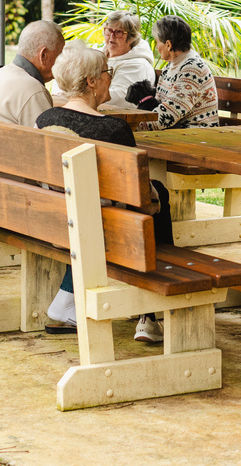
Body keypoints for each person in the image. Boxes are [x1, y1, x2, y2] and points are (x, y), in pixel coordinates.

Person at [35, 41, 174, 344]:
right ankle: (148, 314)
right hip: (105, 228)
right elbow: (140, 198)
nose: (110, 77)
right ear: (92, 81)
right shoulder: (113, 131)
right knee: (158, 197)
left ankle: (71, 297)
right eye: (107, 72)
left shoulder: (45, 120)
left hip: (55, 218)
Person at [126, 16, 219, 131]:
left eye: (157, 42)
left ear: (168, 45)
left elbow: (166, 117)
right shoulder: (172, 66)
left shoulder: (193, 70)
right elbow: (159, 107)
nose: (156, 47)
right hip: (175, 132)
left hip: (194, 135)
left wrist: (129, 126)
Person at [0, 20, 64, 127]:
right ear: (43, 55)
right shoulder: (33, 89)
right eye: (60, 55)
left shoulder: (1, 73)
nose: (62, 61)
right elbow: (48, 140)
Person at [99, 10, 156, 109]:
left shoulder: (138, 65)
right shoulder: (99, 54)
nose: (112, 36)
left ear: (131, 37)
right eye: (109, 30)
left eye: (119, 32)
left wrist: (82, 95)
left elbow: (121, 98)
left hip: (120, 118)